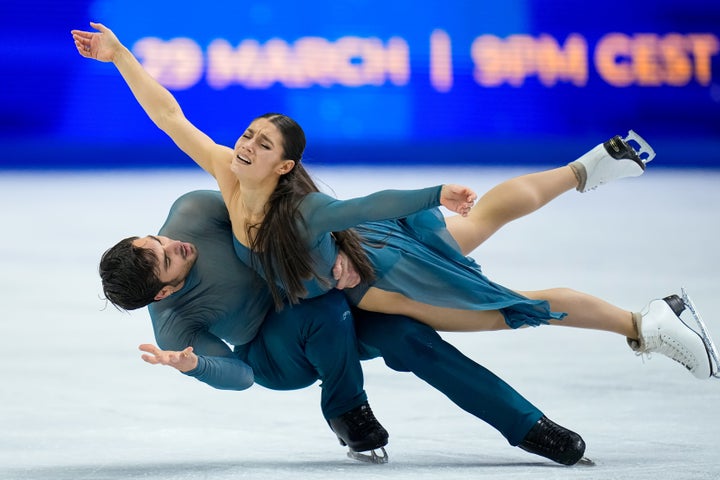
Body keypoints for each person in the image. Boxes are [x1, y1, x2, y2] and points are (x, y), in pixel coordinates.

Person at [73, 22, 717, 381]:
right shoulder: (230, 175)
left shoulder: (255, 196)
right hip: (367, 254)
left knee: (508, 312)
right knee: (485, 220)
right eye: (164, 256)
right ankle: (587, 169)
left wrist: (436, 192)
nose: (171, 240)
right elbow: (170, 116)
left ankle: (647, 322)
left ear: (284, 163)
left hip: (372, 277)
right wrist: (119, 55)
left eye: (257, 142)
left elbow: (362, 205)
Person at [103, 188, 589, 466]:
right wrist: (197, 366)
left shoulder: (194, 211)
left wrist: (336, 243)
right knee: (317, 312)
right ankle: (345, 408)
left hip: (325, 300)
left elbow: (281, 204)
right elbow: (242, 376)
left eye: (160, 239)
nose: (176, 245)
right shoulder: (174, 325)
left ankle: (527, 426)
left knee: (412, 339)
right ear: (164, 292)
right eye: (167, 258)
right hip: (276, 354)